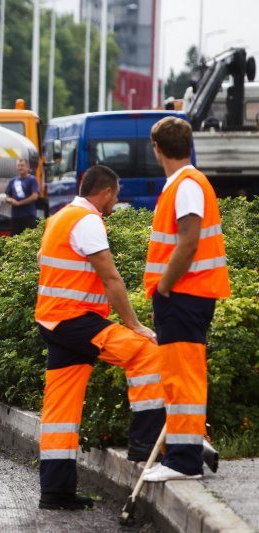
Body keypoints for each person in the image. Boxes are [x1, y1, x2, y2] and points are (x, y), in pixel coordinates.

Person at [34, 165, 165, 510]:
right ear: (105, 192)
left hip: (54, 322)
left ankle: (56, 493)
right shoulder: (88, 220)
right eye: (116, 194)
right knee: (145, 353)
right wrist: (134, 324)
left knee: (60, 413)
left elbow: (44, 261)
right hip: (75, 321)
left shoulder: (59, 218)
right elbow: (110, 277)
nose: (116, 201)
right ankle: (145, 443)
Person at [142, 116, 230, 483]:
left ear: (157, 148)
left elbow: (189, 241)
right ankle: (188, 449)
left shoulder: (186, 185)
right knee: (180, 377)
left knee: (184, 377)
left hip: (182, 294)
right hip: (185, 294)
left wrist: (164, 286)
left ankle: (184, 461)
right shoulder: (186, 183)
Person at [4, 158, 40, 235]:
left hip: (28, 216)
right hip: (15, 217)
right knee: (15, 241)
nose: (20, 167)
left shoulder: (32, 180)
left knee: (28, 240)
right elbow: (7, 195)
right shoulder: (13, 181)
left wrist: (19, 203)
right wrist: (9, 200)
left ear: (28, 167)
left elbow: (34, 196)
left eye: (22, 165)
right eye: (18, 166)